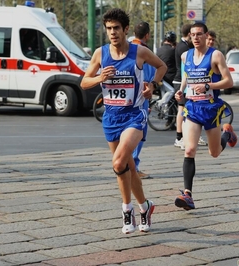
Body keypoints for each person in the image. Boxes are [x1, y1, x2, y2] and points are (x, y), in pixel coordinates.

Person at [80, 8, 167, 234]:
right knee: (128, 167)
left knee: (118, 163)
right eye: (108, 29)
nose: (112, 33)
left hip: (135, 115)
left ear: (126, 29)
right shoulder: (100, 54)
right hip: (111, 117)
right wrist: (101, 77)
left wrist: (152, 86)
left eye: (116, 28)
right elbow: (84, 82)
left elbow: (162, 67)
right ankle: (145, 206)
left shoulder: (139, 52)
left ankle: (126, 210)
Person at [174, 22, 237, 211]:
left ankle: (227, 134)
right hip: (192, 108)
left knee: (214, 152)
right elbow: (187, 76)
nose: (195, 38)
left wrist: (209, 86)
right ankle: (188, 195)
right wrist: (181, 91)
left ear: (206, 35)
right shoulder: (186, 55)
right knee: (189, 149)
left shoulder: (215, 55)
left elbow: (229, 81)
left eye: (199, 34)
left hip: (210, 109)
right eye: (192, 34)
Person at [130, 21, 154, 179]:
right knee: (139, 132)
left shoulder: (127, 48)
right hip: (140, 97)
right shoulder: (144, 51)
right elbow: (151, 75)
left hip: (126, 97)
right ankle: (134, 167)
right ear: (147, 35)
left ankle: (128, 165)